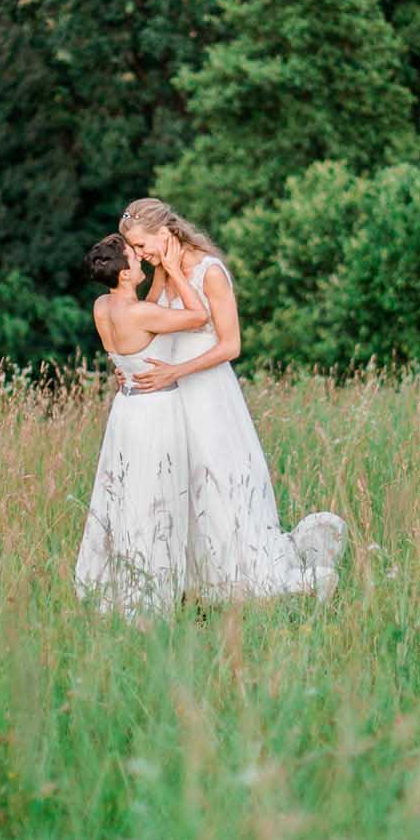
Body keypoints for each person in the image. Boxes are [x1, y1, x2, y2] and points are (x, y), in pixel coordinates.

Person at [118, 198, 346, 601]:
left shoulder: (210, 272)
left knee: (217, 486)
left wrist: (175, 372)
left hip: (206, 396)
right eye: (134, 249)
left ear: (164, 233)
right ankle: (193, 586)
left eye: (140, 246)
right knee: (181, 486)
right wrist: (131, 365)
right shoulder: (160, 274)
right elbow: (144, 326)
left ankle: (250, 580)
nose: (137, 255)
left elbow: (231, 345)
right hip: (168, 403)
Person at [73, 233, 211, 619]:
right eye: (136, 260)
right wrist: (172, 271)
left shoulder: (103, 307)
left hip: (126, 413)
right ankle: (154, 591)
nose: (142, 263)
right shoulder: (140, 314)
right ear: (126, 275)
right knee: (158, 498)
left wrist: (160, 279)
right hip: (155, 413)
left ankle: (124, 580)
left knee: (128, 497)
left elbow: (142, 319)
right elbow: (198, 316)